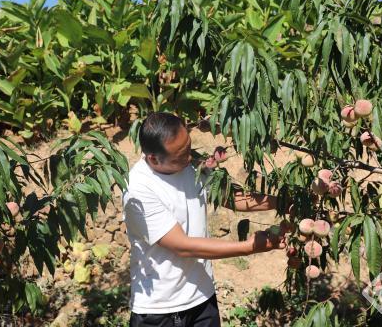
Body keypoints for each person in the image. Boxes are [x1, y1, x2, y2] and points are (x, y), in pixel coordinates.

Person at [123, 112, 293, 327]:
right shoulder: (138, 190)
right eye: (181, 155)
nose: (189, 157)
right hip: (161, 310)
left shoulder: (187, 164)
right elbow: (183, 246)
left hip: (202, 299)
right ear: (154, 158)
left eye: (189, 147)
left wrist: (284, 203)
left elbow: (229, 197)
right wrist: (249, 246)